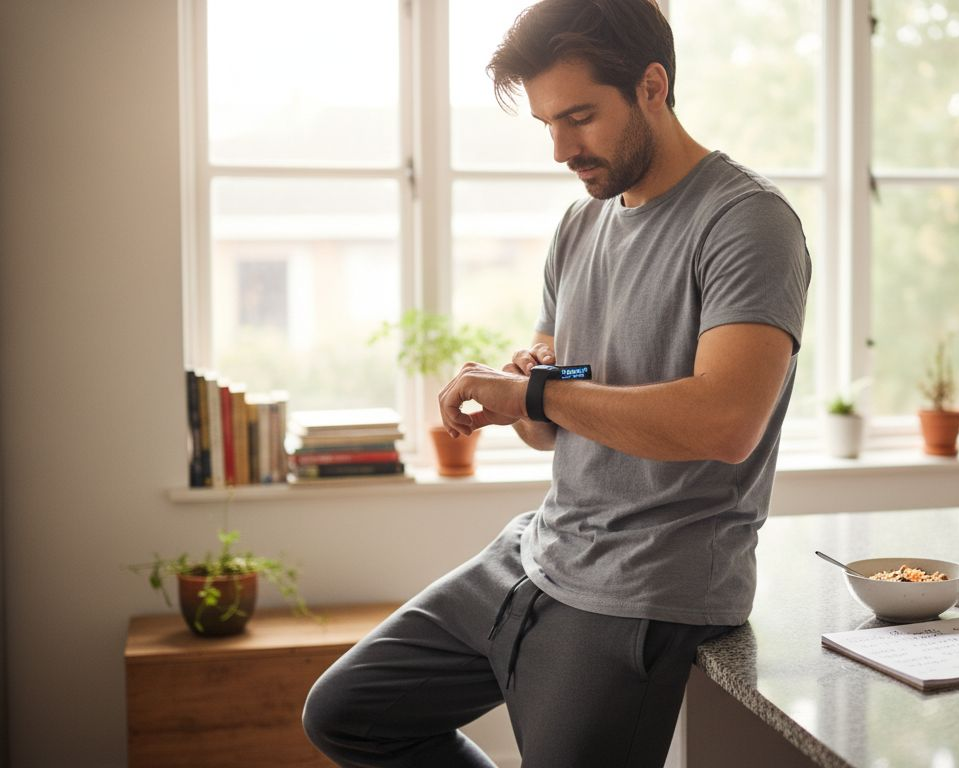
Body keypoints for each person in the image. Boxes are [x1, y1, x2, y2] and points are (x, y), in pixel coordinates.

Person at [301, 0, 811, 765]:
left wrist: (536, 396)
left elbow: (726, 423)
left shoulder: (746, 221)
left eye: (579, 117)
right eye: (547, 123)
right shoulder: (581, 225)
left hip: (644, 586)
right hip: (538, 550)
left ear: (651, 86)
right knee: (346, 712)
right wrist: (525, 395)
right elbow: (552, 425)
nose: (560, 149)